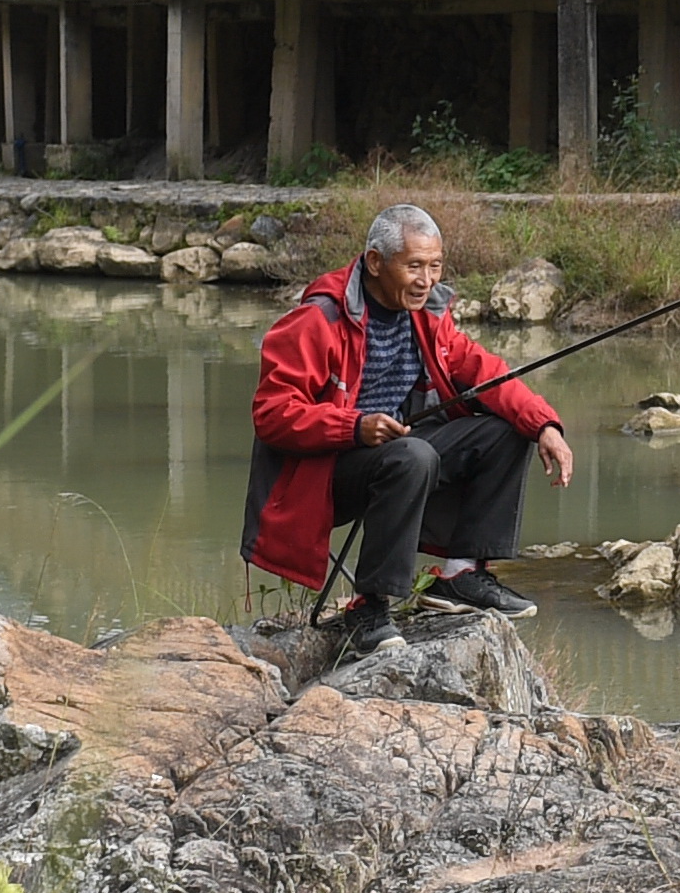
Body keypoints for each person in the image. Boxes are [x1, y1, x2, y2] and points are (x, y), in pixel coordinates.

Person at [243, 201, 575, 651]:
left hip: (395, 455)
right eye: (414, 266)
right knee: (414, 453)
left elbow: (484, 372)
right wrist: (353, 426)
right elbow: (271, 414)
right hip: (325, 475)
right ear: (376, 263)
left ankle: (460, 576)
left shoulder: (428, 314)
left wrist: (545, 426)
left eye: (435, 266)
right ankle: (369, 606)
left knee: (506, 428)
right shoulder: (319, 319)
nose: (427, 280)